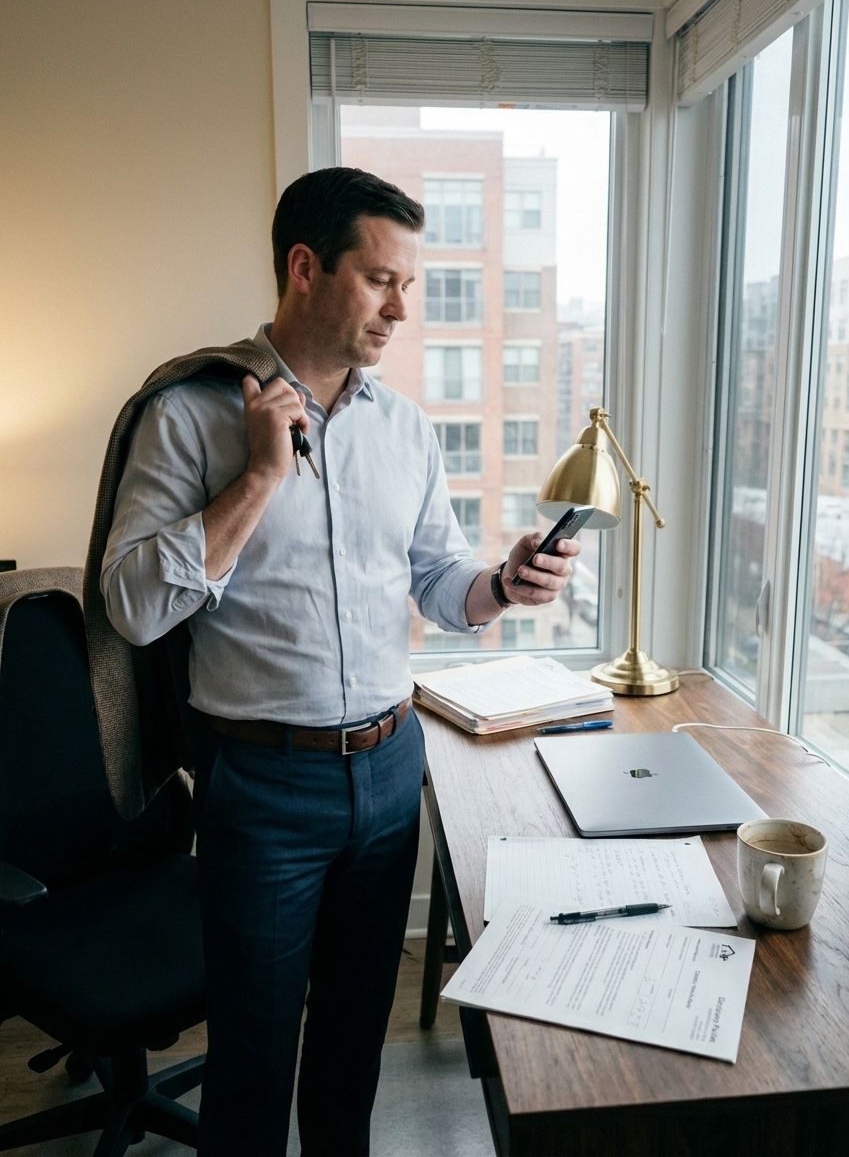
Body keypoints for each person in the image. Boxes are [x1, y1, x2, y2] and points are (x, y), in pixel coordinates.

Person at [100, 166, 580, 1157]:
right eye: (381, 280)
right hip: (263, 785)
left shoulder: (405, 430)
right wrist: (261, 477)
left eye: (409, 282)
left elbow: (437, 579)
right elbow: (135, 609)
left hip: (391, 768)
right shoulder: (188, 416)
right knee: (252, 1063)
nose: (404, 307)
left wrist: (502, 580)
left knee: (350, 1056)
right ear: (305, 268)